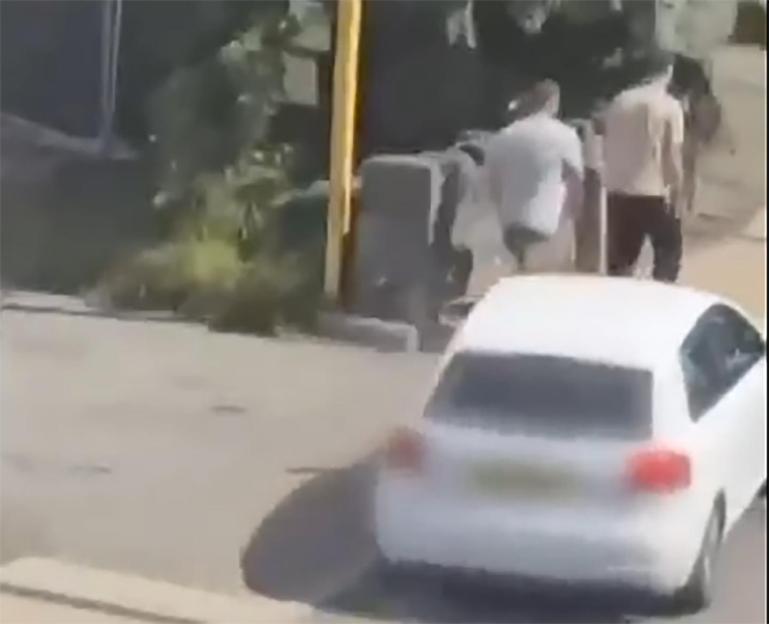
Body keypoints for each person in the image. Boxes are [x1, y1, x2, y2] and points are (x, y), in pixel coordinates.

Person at [602, 49, 685, 282]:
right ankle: (660, 302)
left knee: (620, 263)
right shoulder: (669, 106)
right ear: (667, 72)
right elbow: (672, 154)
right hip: (654, 192)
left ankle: (617, 305)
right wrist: (678, 192)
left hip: (618, 192)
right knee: (668, 253)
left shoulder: (619, 101)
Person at [485, 80, 585, 272]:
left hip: (512, 223)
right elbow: (576, 185)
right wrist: (573, 220)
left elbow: (492, 183)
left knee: (520, 273)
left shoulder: (504, 135)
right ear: (553, 102)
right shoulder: (565, 135)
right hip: (549, 223)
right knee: (544, 283)